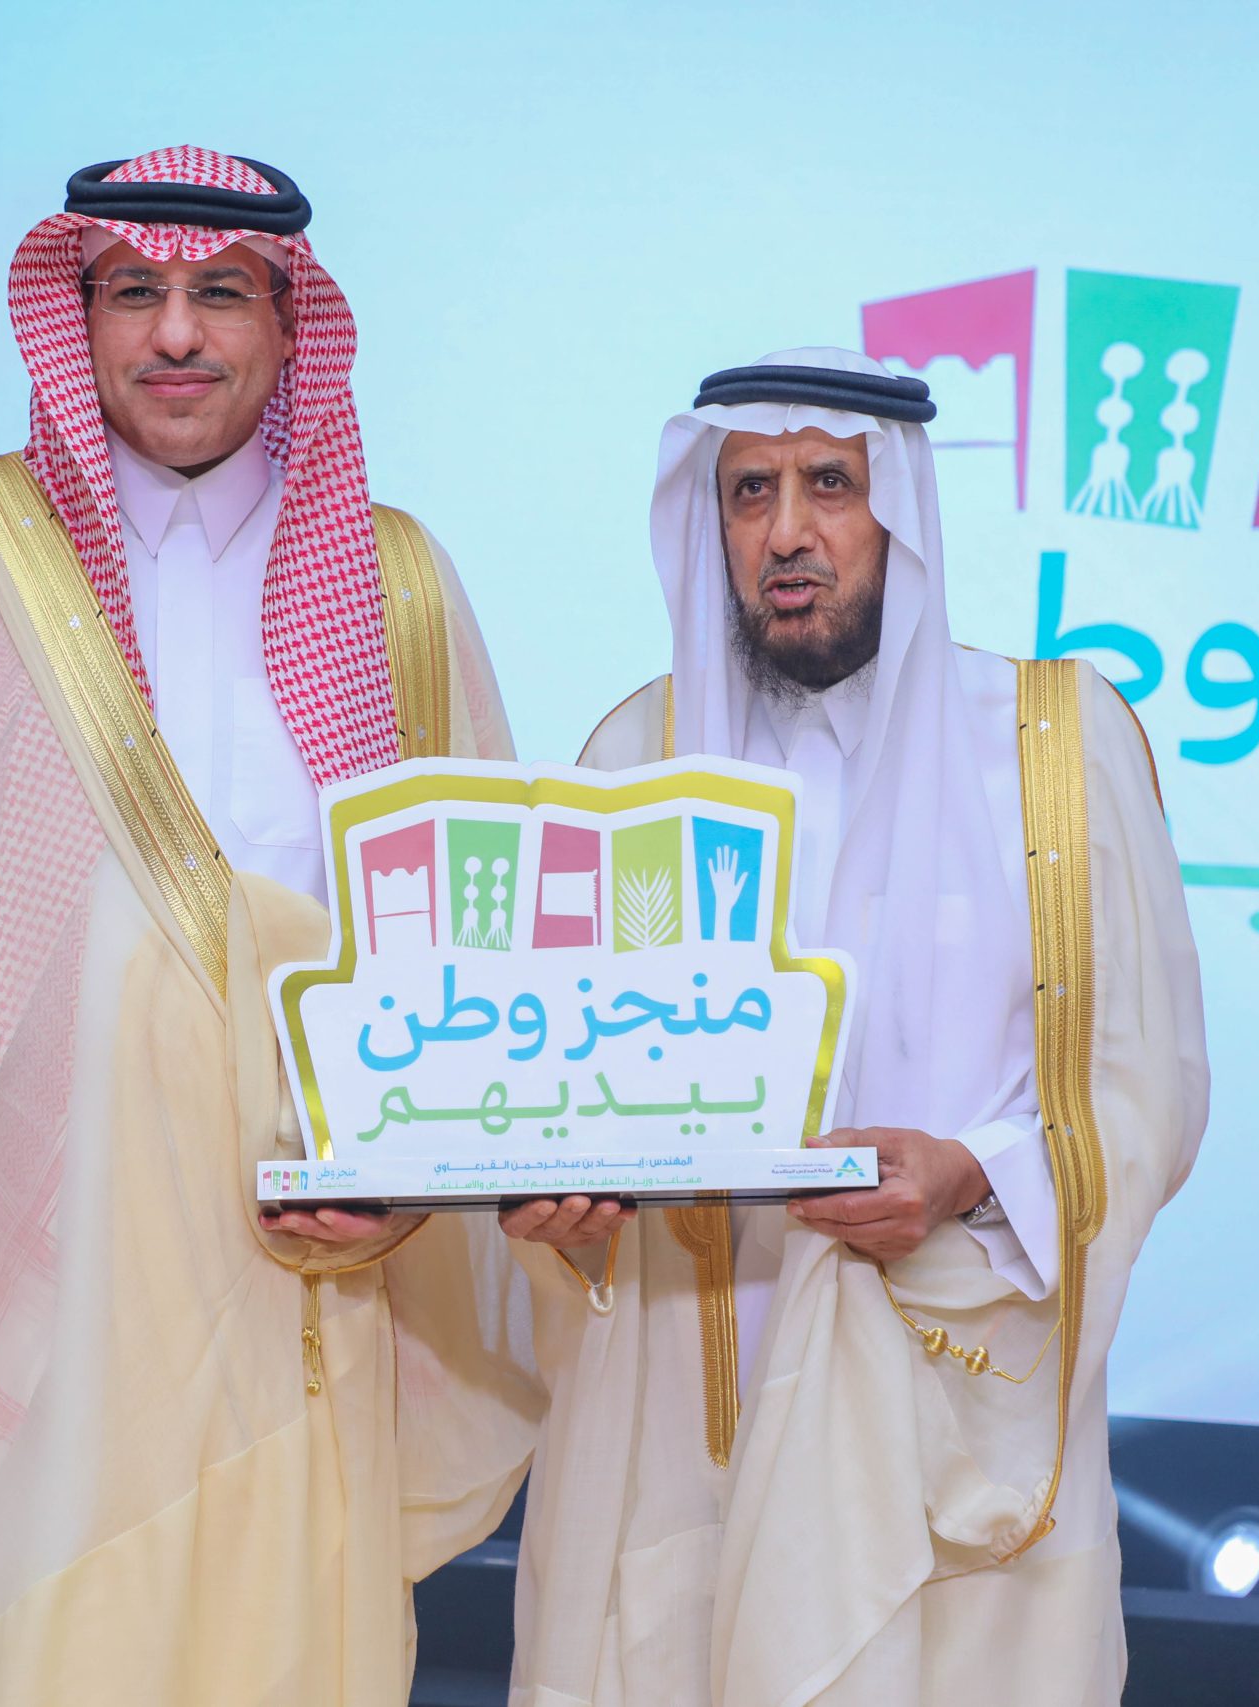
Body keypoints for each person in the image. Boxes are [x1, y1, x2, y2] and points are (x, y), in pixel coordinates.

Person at [0, 146, 539, 1707]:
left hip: (292, 1276)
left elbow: (476, 945)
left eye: (221, 293)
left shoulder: (399, 588)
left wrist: (417, 1182)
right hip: (5, 1259)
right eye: (133, 291)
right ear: (73, 318)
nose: (174, 333)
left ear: (289, 326)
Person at [502, 349, 1209, 1705]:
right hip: (687, 1414)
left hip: (953, 1405)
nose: (787, 532)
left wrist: (969, 1172)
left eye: (830, 484)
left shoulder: (1055, 747)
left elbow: (1147, 1086)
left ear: (904, 512)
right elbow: (566, 1082)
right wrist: (560, 1197)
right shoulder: (632, 761)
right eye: (748, 491)